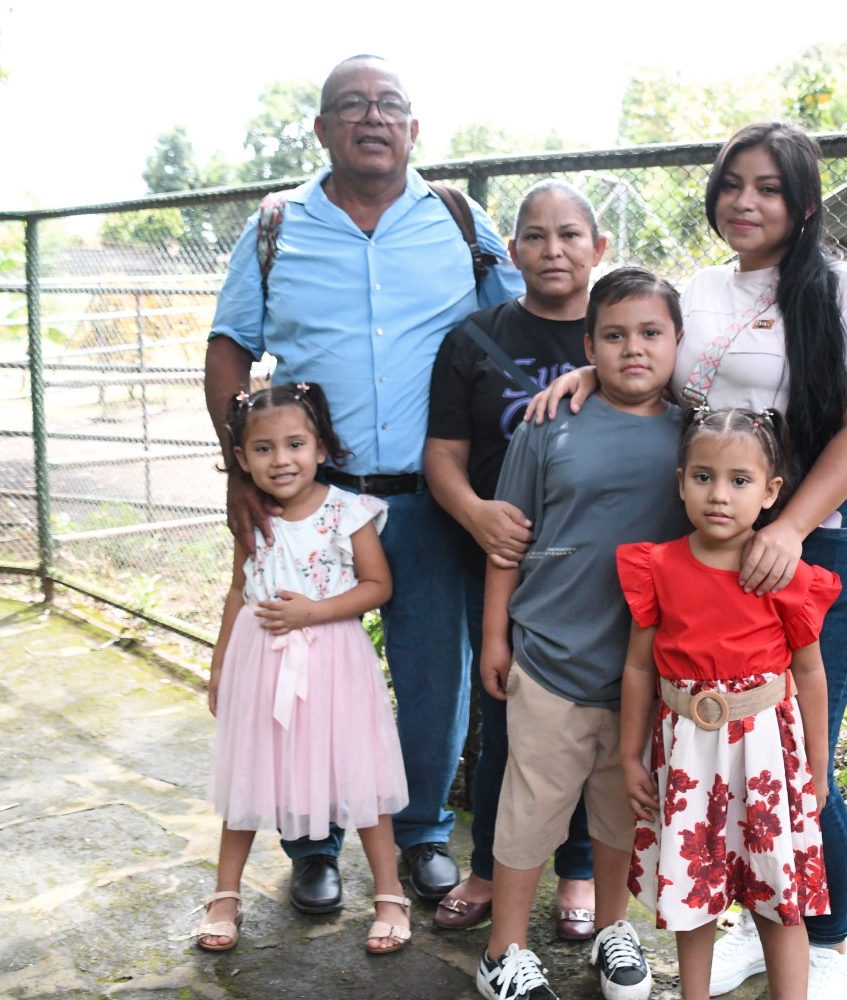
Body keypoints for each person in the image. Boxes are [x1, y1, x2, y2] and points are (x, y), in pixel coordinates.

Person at [529, 120, 847, 1000]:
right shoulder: (703, 289)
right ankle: (741, 921)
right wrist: (594, 377)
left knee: (799, 750)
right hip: (710, 547)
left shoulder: (846, 292)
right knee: (715, 754)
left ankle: (826, 940)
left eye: (769, 187)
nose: (745, 201)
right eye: (733, 183)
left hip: (818, 538)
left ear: (805, 202)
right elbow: (654, 363)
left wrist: (790, 529)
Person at [205, 53, 524, 915]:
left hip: (431, 500)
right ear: (322, 129)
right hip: (312, 503)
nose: (372, 118)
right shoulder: (276, 227)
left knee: (435, 678)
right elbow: (230, 346)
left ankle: (421, 835)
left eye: (389, 105)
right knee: (299, 673)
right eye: (352, 105)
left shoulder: (460, 220)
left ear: (414, 129)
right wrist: (240, 471)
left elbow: (529, 315)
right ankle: (312, 846)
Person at [475, 268, 688, 1000]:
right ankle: (503, 949)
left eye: (652, 333)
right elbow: (511, 539)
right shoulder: (549, 423)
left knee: (619, 809)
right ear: (589, 344)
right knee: (530, 809)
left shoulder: (696, 431)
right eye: (615, 335)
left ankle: (612, 930)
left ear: (678, 342)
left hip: (646, 673)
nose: (635, 349)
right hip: (551, 658)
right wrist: (496, 636)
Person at [424, 179, 607, 938]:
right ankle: (489, 871)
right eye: (534, 235)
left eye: (570, 234)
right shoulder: (474, 339)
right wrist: (476, 512)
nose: (552, 249)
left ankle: (580, 874)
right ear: (512, 252)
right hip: (502, 566)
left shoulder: (627, 329)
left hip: (599, 571)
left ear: (599, 248)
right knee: (507, 723)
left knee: (596, 724)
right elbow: (442, 454)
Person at [617, 407, 838, 1000]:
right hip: (686, 757)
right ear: (681, 480)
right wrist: (629, 755)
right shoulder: (658, 567)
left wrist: (817, 767)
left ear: (771, 493)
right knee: (694, 892)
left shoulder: (782, 574)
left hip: (766, 755)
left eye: (740, 481)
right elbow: (639, 667)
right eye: (703, 477)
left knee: (776, 894)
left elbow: (810, 672)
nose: (720, 495)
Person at [196, 383, 411, 956]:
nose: (281, 459)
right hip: (259, 663)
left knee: (358, 775)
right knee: (251, 772)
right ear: (242, 460)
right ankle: (225, 894)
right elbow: (240, 592)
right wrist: (220, 667)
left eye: (295, 444)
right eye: (262, 449)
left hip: (335, 663)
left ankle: (390, 897)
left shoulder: (348, 511)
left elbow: (378, 585)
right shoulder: (251, 516)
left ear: (321, 447)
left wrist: (313, 612)